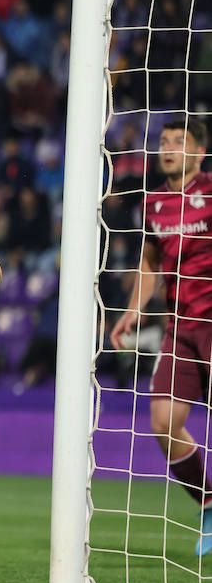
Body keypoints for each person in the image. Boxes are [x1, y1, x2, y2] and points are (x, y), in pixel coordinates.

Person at [110, 117, 212, 556]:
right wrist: (134, 309)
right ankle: (208, 500)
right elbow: (150, 261)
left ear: (200, 152)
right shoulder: (153, 203)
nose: (168, 148)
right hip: (179, 327)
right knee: (163, 423)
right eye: (164, 141)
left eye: (179, 141)